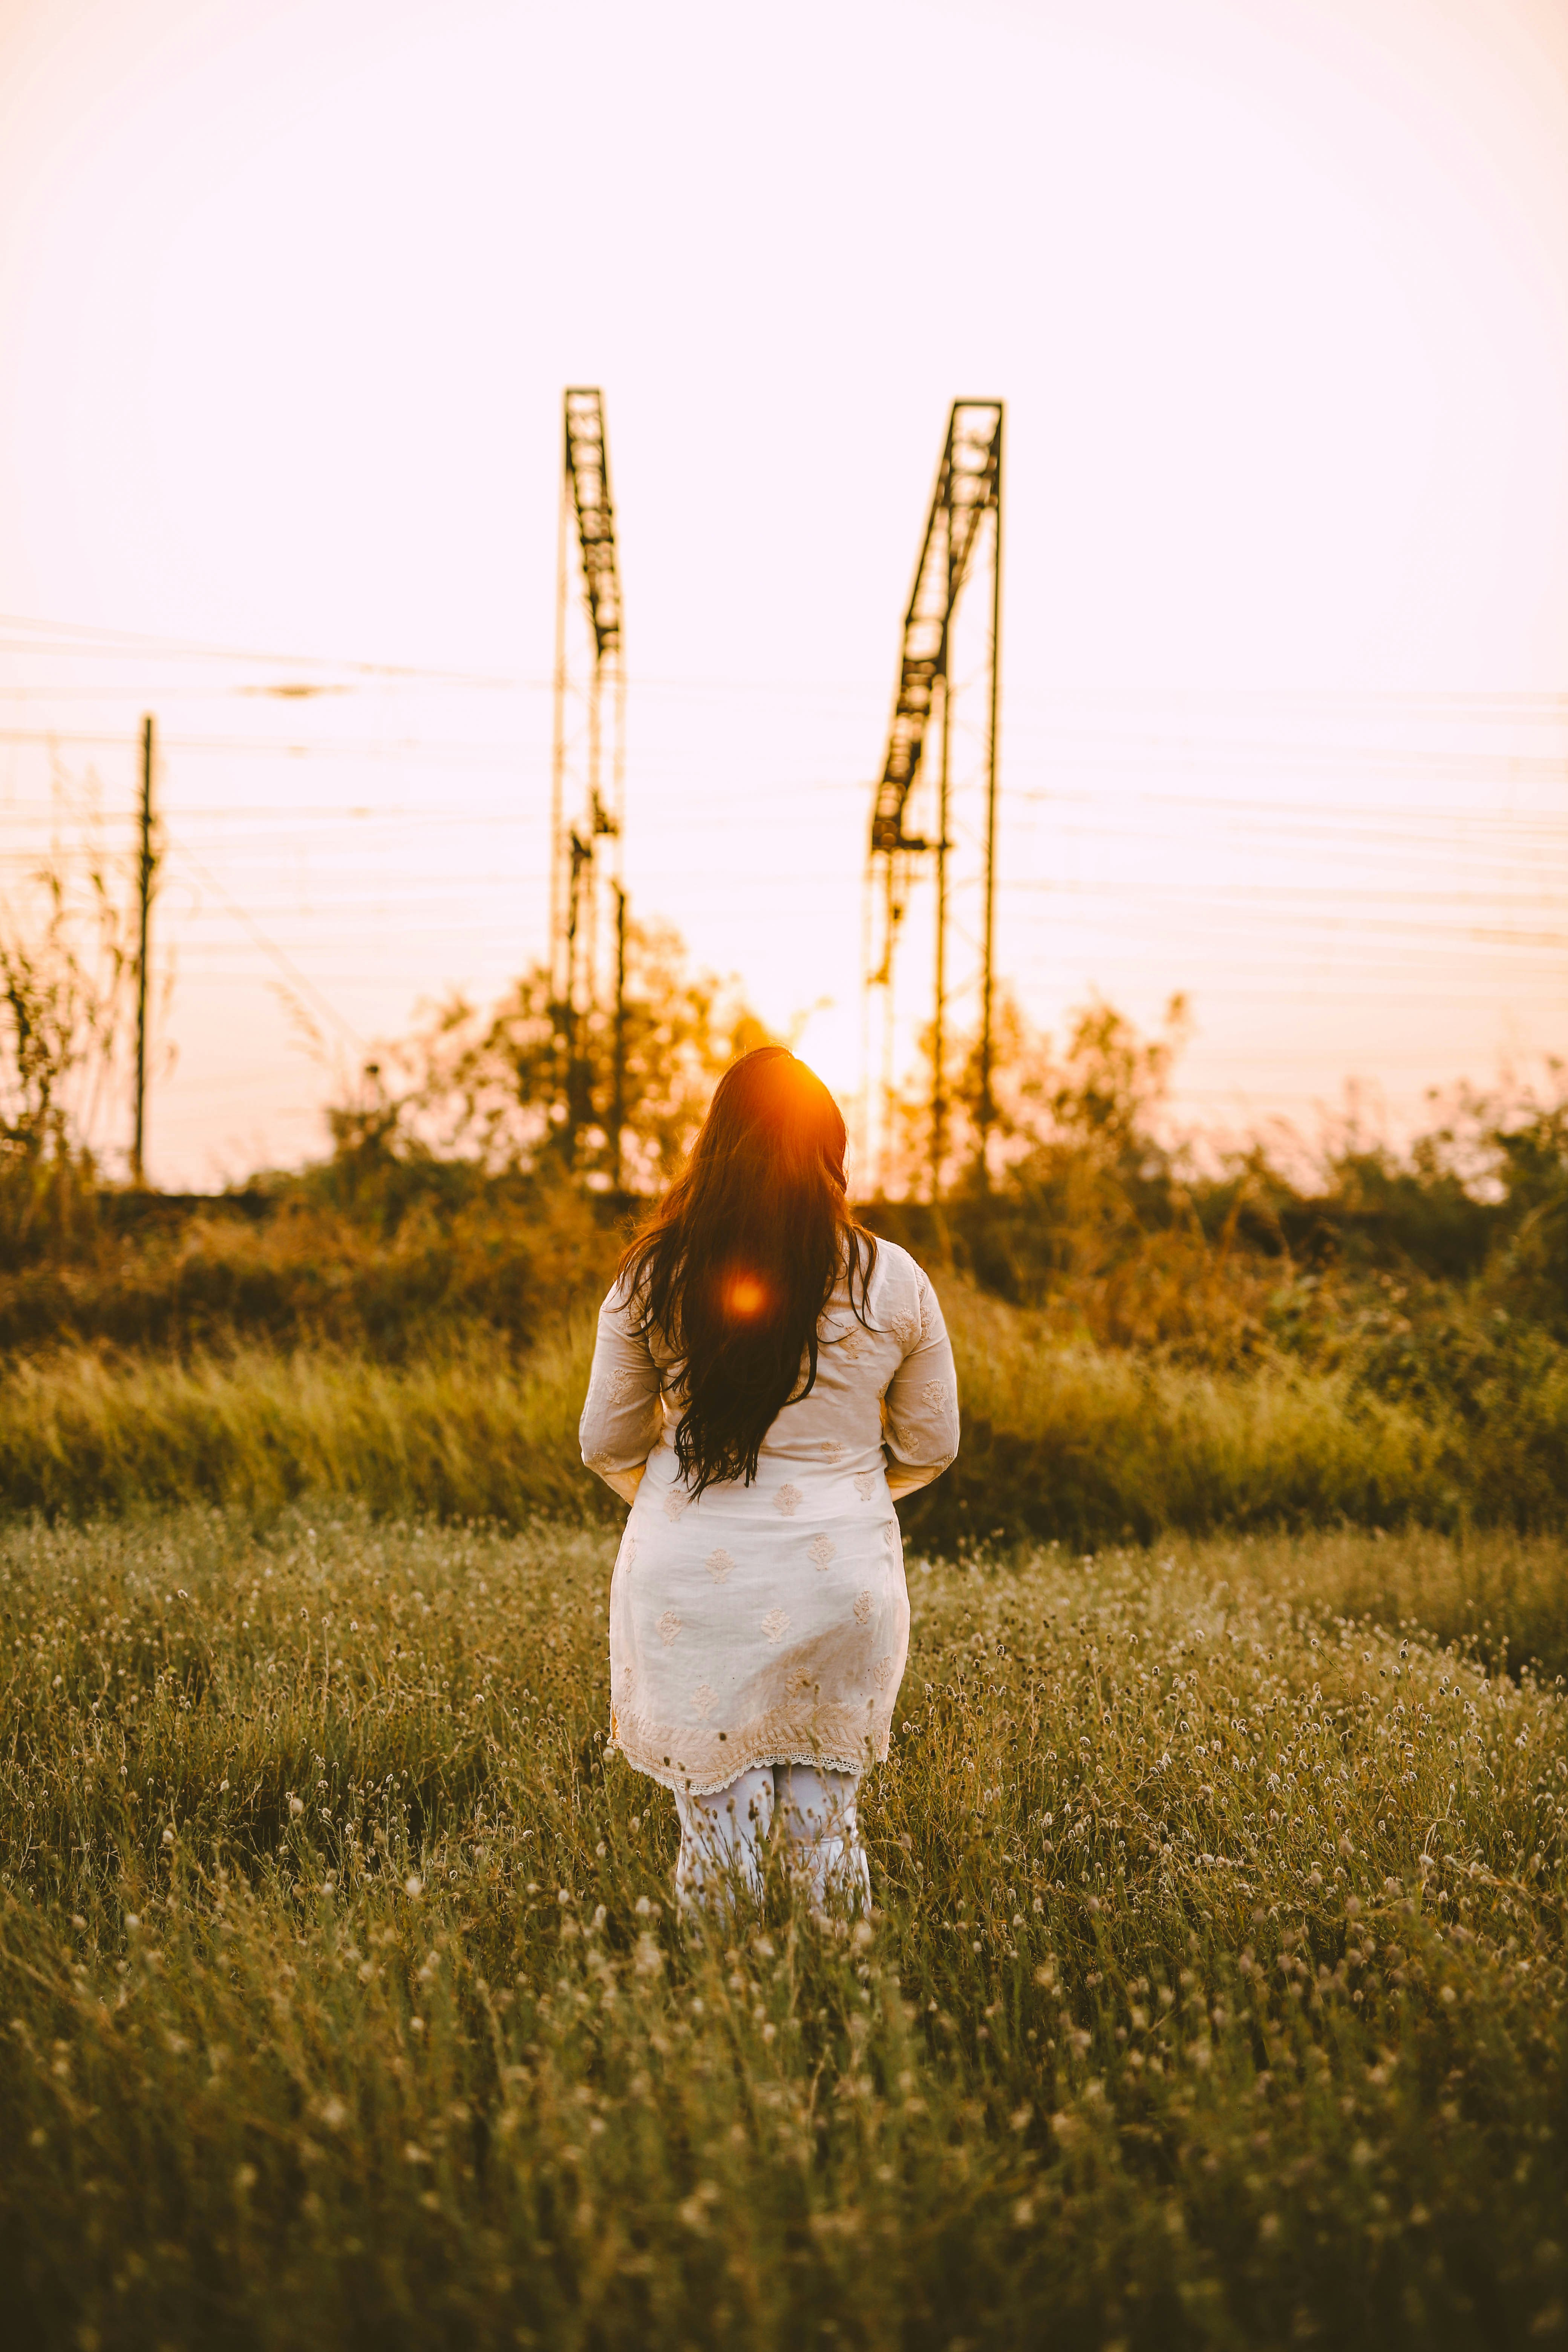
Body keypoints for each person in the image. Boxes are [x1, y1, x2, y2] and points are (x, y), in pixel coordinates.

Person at [579, 1045, 959, 1910]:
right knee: (823, 1829)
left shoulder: (653, 1276)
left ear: (713, 1147)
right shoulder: (892, 1279)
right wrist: (849, 1489)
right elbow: (932, 1444)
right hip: (841, 1577)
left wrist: (669, 1502)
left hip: (690, 1581)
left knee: (718, 1832)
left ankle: (726, 1993)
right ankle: (832, 1986)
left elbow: (605, 1442)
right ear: (832, 1152)